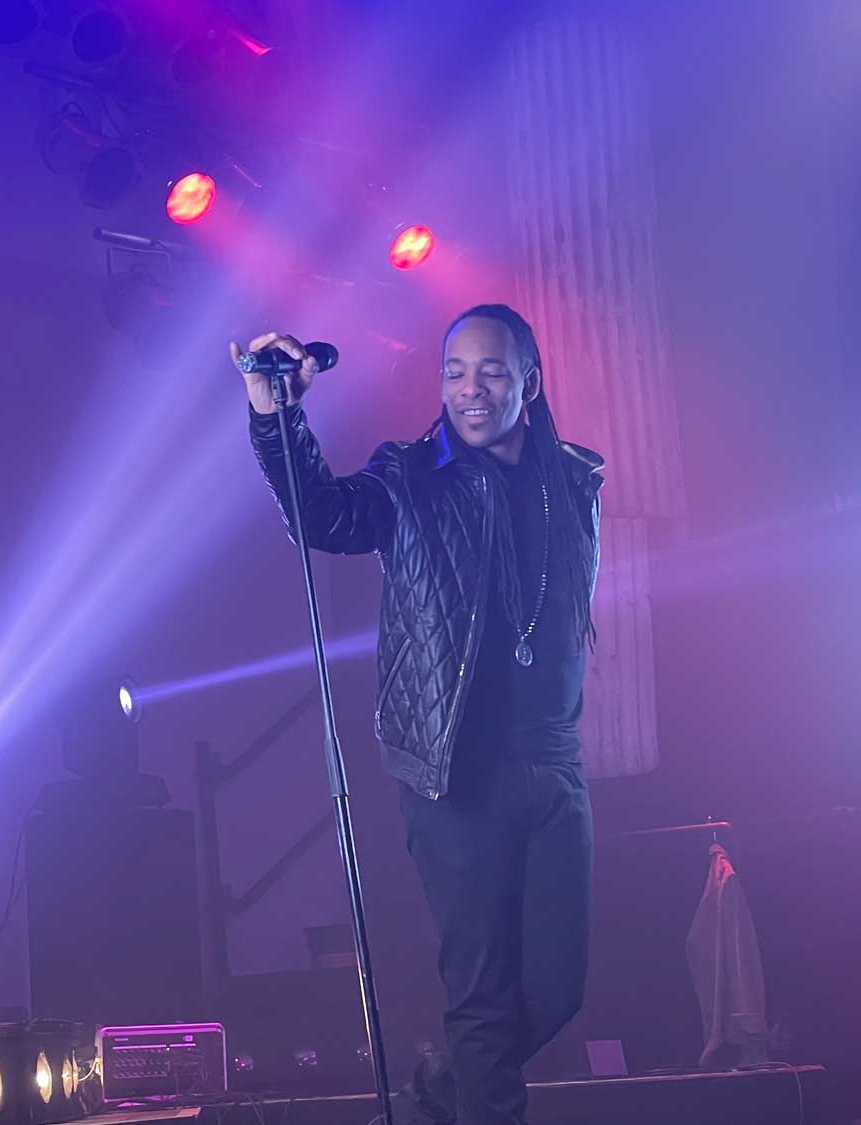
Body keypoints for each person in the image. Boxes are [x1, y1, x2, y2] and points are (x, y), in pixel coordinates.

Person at [232, 305, 603, 1125]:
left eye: (492, 371)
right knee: (482, 995)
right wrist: (276, 416)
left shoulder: (575, 482)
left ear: (530, 382)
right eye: (455, 372)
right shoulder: (411, 476)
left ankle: (436, 1096)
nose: (471, 389)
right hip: (453, 768)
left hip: (554, 761)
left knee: (556, 991)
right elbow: (323, 515)